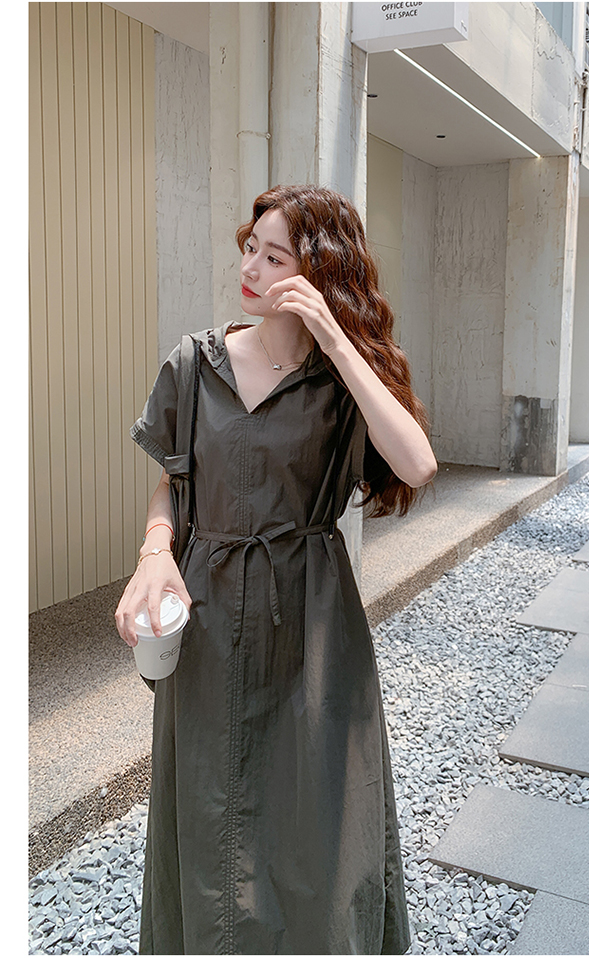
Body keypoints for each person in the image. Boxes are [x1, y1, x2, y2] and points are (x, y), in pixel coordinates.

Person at [115, 184, 438, 955]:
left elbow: (417, 465)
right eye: (249, 248)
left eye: (274, 256)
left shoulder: (341, 382)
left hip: (313, 621)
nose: (250, 268)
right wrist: (154, 553)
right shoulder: (196, 363)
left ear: (317, 273)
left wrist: (335, 339)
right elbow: (172, 483)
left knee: (318, 809)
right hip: (209, 616)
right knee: (211, 798)